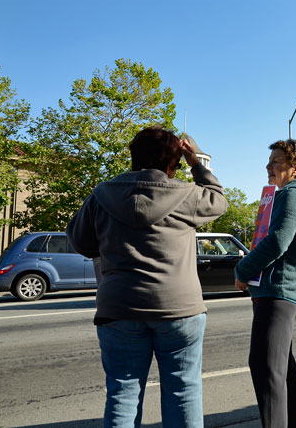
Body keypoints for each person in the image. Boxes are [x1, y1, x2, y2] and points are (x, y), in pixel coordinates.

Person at [66, 126, 228, 427]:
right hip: (179, 309)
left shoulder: (101, 195)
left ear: (133, 157)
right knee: (183, 390)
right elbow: (219, 200)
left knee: (122, 393)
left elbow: (80, 241)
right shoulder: (187, 194)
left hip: (118, 308)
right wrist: (196, 163)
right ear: (173, 163)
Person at [234, 139, 296, 428]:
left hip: (279, 292)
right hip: (277, 291)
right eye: (269, 161)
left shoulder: (293, 194)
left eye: (275, 162)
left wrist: (243, 269)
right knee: (280, 368)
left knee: (266, 369)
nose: (268, 166)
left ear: (295, 168)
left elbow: (278, 242)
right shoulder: (287, 194)